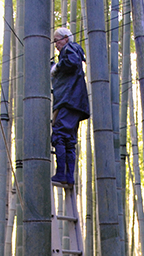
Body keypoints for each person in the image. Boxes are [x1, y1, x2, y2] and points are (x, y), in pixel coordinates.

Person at [50, 27, 90, 186]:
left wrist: (57, 67)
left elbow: (71, 61)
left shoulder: (71, 48)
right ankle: (69, 177)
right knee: (69, 140)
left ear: (66, 38)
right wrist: (57, 65)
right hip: (76, 103)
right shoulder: (71, 51)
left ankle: (61, 174)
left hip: (69, 101)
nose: (56, 45)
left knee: (59, 135)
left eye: (56, 41)